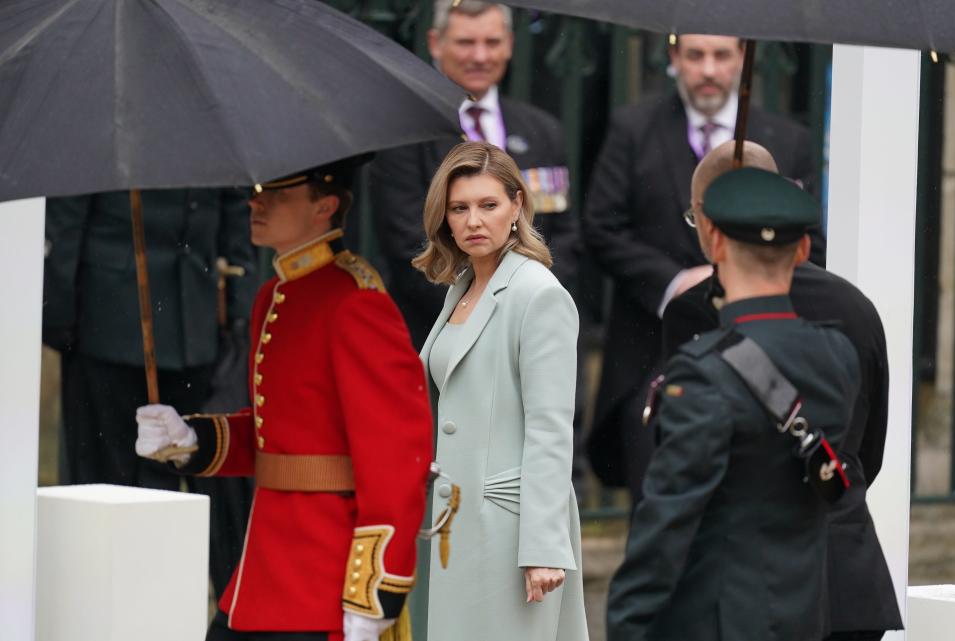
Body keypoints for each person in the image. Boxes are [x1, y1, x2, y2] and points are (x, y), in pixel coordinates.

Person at [134, 157, 434, 641]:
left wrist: (375, 590)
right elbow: (275, 435)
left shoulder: (357, 302)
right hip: (263, 568)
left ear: (326, 206)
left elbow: (397, 461)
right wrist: (192, 438)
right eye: (257, 190)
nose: (257, 202)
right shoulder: (274, 295)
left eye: (279, 193)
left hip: (324, 574)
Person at [662, 140, 903, 641]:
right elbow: (867, 450)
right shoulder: (855, 305)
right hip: (847, 576)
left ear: (711, 222)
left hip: (745, 583)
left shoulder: (696, 311)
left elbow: (684, 461)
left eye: (694, 218)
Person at [606, 165, 859, 641]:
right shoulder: (837, 355)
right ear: (803, 250)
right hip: (805, 615)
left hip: (715, 622)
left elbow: (665, 524)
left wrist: (627, 624)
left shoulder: (701, 371)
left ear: (715, 244)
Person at [582, 34, 821, 502]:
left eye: (721, 56)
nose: (708, 69)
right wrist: (676, 282)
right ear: (673, 58)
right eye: (695, 56)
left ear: (743, 60)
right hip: (653, 357)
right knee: (657, 504)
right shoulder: (633, 129)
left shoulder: (788, 141)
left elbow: (812, 241)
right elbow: (601, 227)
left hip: (763, 359)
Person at [42, 187, 258, 597]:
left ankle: (166, 602)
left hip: (195, 322)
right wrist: (62, 321)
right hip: (107, 324)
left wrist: (241, 308)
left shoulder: (209, 123)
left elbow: (233, 203)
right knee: (104, 490)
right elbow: (68, 215)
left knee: (196, 486)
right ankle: (101, 602)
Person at [411, 141, 587, 641]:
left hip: (509, 531)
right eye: (459, 208)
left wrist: (544, 548)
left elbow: (551, 428)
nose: (473, 221)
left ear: (517, 206)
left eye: (488, 206)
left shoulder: (540, 293)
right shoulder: (460, 286)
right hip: (448, 523)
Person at [371, 0, 578, 349]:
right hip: (440, 335)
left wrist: (531, 311)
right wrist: (479, 316)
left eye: (492, 42)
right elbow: (407, 243)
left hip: (532, 334)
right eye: (466, 43)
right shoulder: (406, 134)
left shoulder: (543, 131)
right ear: (436, 43)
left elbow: (565, 238)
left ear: (510, 44)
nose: (480, 56)